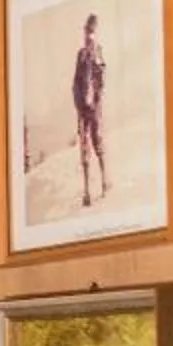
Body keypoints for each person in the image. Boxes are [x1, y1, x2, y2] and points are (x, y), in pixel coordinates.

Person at [71, 11, 109, 206]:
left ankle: (104, 182)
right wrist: (79, 104)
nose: (88, 35)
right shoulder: (81, 55)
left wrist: (95, 101)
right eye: (86, 31)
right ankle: (87, 191)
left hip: (93, 108)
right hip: (83, 110)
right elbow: (75, 82)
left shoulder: (98, 52)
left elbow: (101, 79)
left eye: (91, 31)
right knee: (84, 148)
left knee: (98, 143)